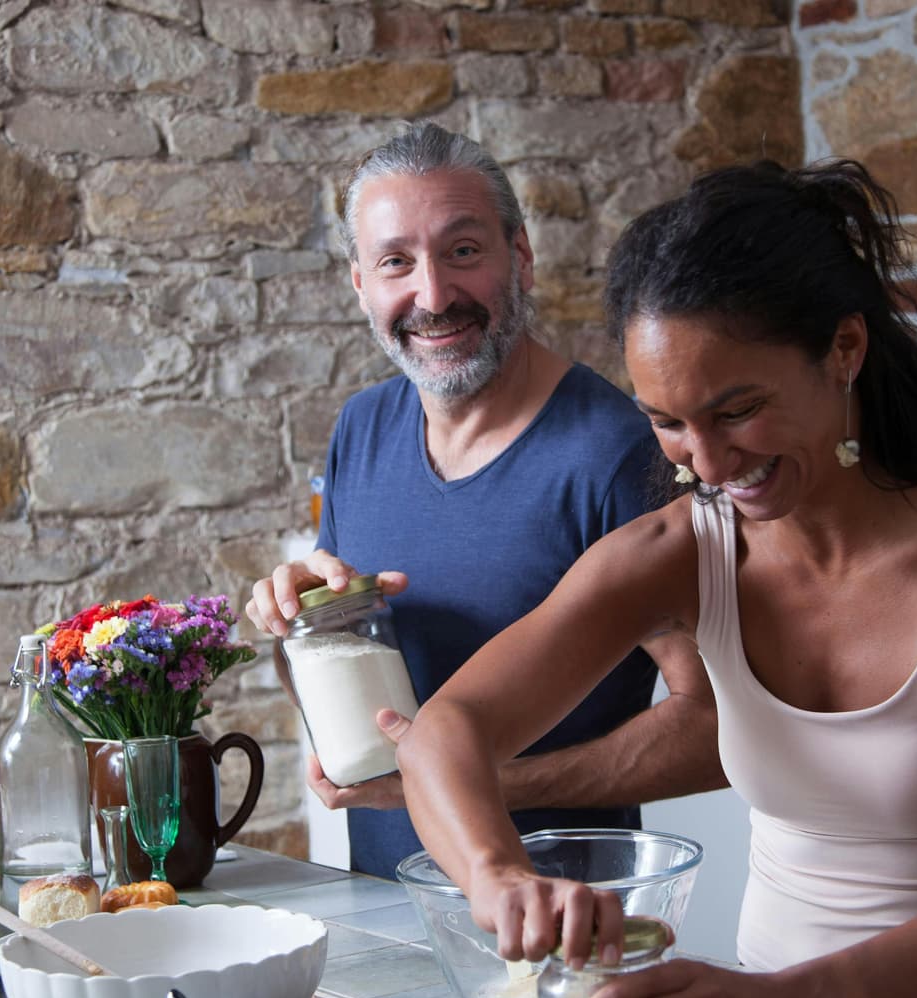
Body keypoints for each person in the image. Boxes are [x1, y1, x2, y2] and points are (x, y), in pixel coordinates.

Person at [394, 159, 917, 998]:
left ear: (845, 350)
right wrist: (497, 874)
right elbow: (449, 730)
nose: (707, 462)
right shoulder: (676, 554)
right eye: (667, 423)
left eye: (737, 410)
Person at [247, 123, 726, 879]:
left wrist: (471, 782)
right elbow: (347, 672)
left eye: (463, 251)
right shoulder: (361, 429)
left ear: (522, 257)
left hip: (565, 931)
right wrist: (296, 625)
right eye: (396, 262)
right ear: (360, 283)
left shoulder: (617, 451)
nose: (432, 296)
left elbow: (716, 729)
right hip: (383, 909)